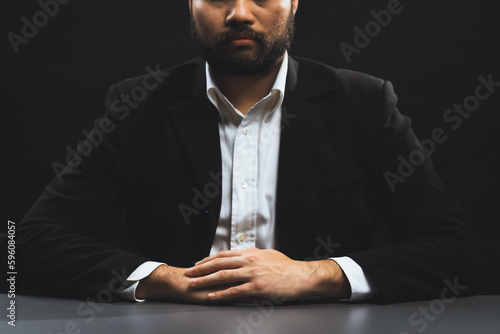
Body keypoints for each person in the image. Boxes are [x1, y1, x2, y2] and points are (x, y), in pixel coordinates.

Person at [18, 0, 482, 304]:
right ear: (191, 5)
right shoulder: (137, 105)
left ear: (294, 3)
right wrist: (164, 279)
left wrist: (315, 275)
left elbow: (453, 249)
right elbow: (33, 242)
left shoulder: (363, 102)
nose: (240, 12)